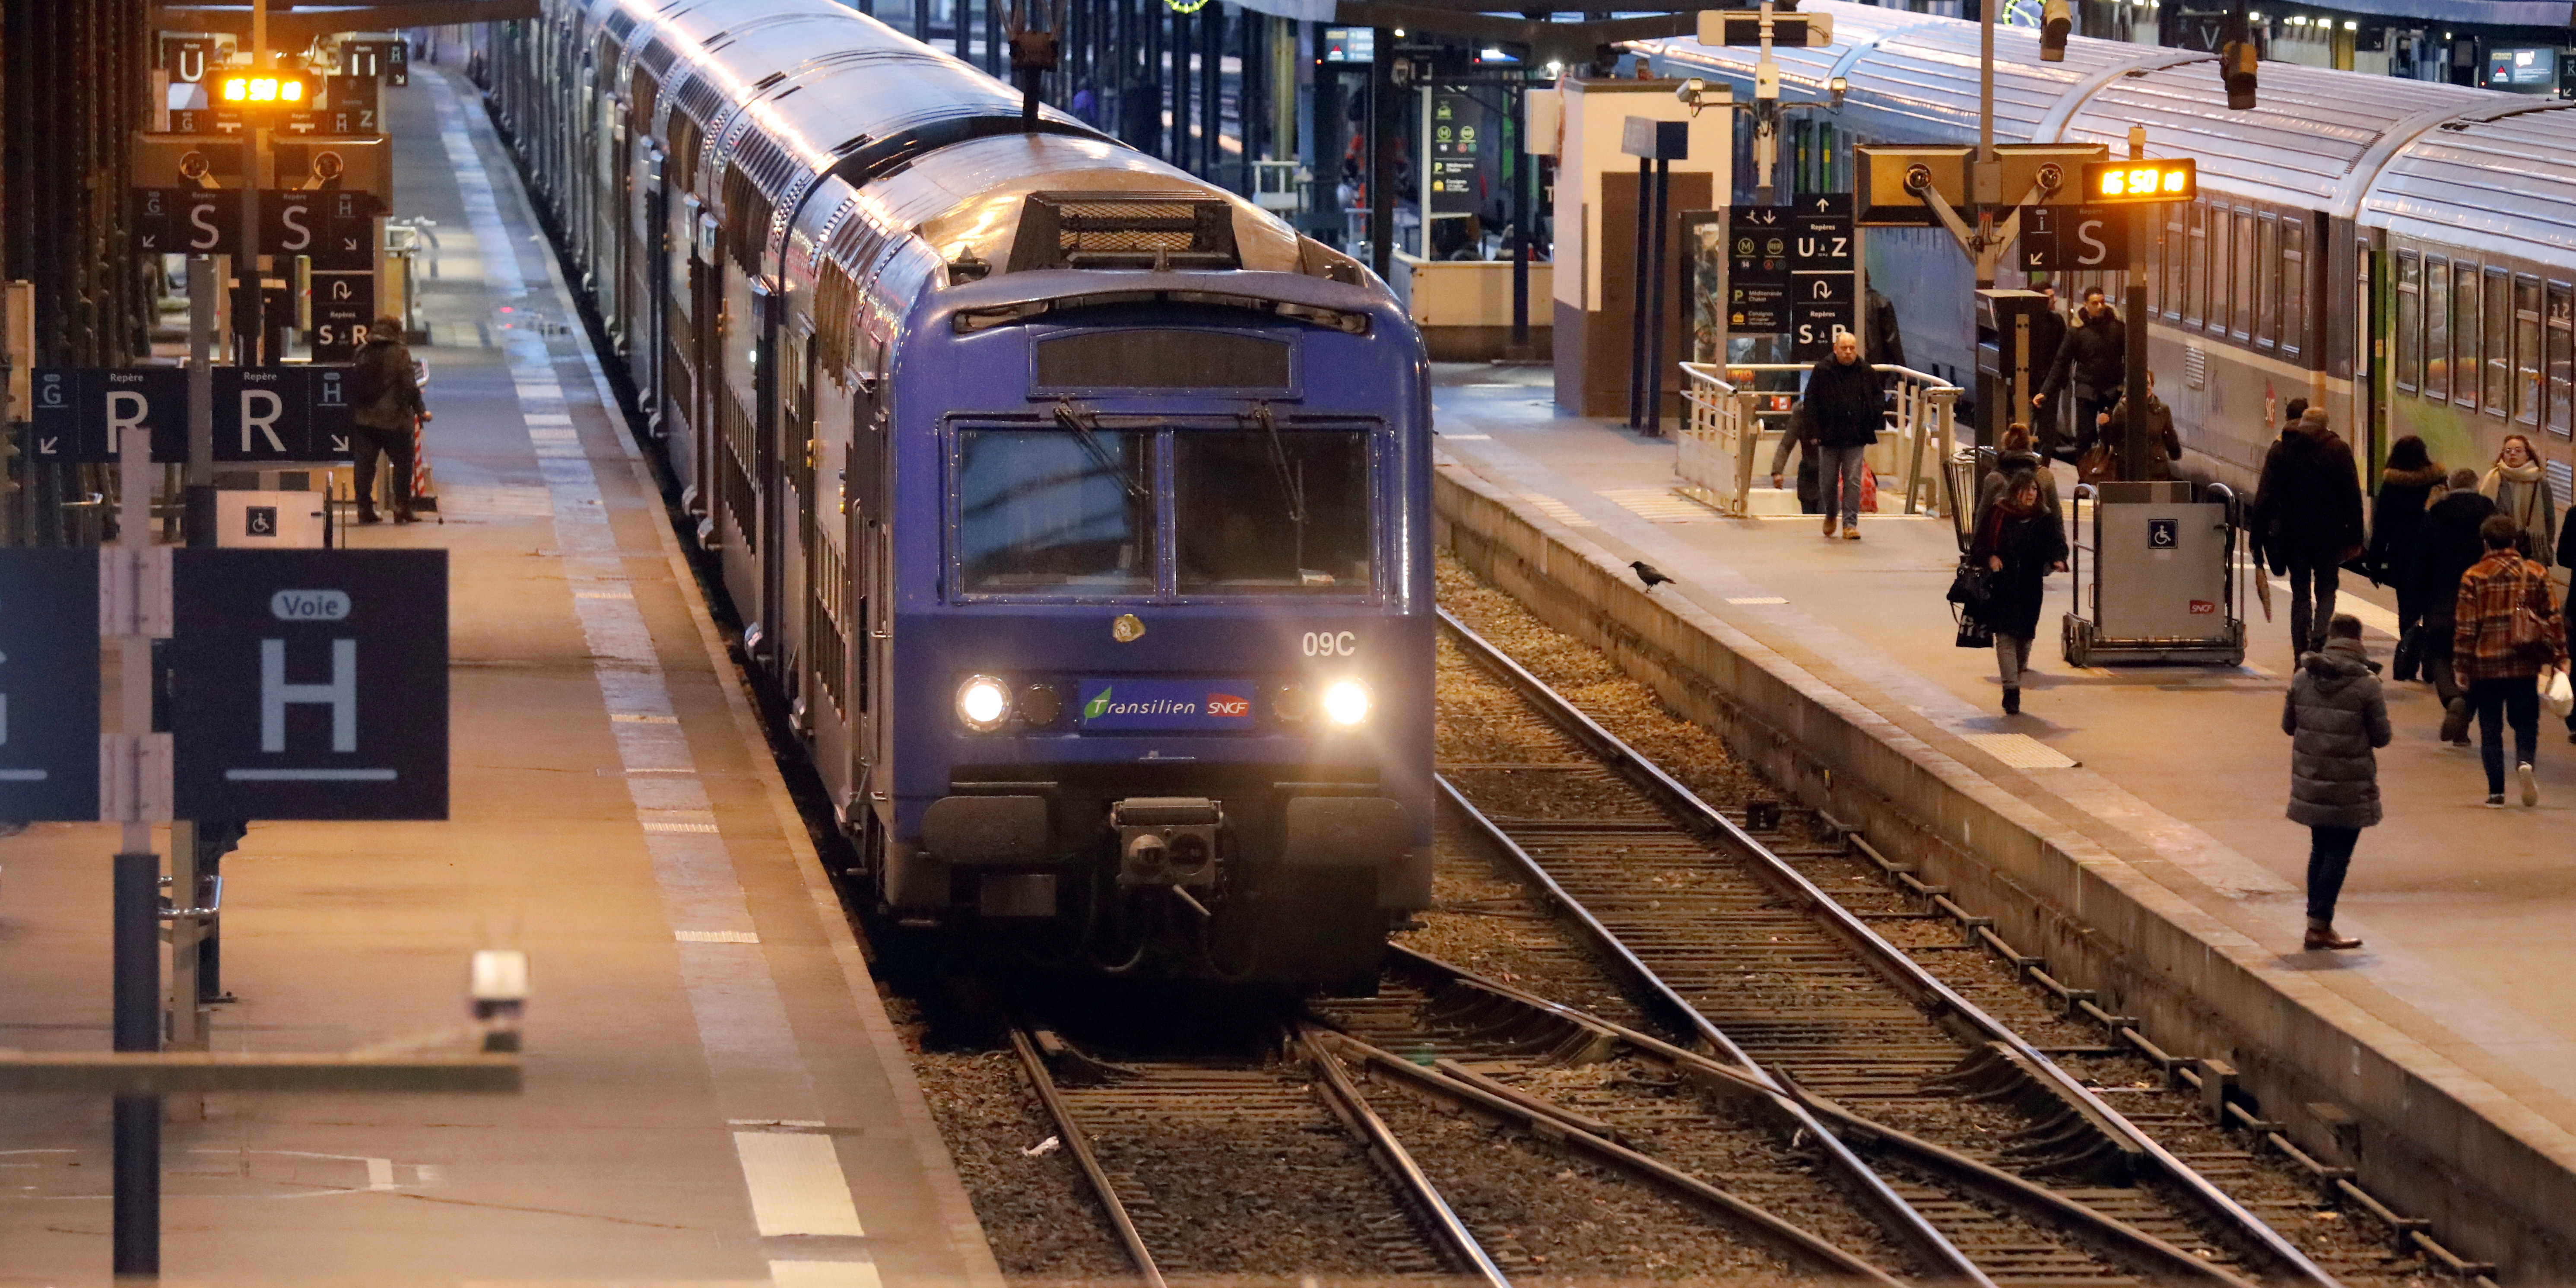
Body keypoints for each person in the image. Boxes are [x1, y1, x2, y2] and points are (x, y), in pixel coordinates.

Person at [2281, 613, 2389, 952]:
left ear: (2330, 637)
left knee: (2321, 848)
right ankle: (2319, 926)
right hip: (2350, 784)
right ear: (2359, 642)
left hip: (2312, 779)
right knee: (2338, 853)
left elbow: (2288, 726)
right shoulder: (2368, 685)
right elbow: (2382, 737)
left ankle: (2316, 922)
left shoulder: (2302, 678)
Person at [2453, 513, 2570, 807]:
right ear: (2516, 540)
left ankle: (2496, 793)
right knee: (2526, 722)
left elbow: (2466, 628)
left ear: (2486, 542)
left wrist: (2462, 667)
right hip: (2524, 664)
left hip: (2485, 665)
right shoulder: (2536, 572)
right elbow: (2554, 619)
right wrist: (2561, 657)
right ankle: (2525, 763)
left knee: (2490, 727)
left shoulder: (2474, 576)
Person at [2252, 407, 2366, 662]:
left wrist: (2256, 542)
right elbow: (2352, 498)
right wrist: (2355, 538)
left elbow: (2264, 498)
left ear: (2302, 423)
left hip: (2293, 536)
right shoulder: (2338, 450)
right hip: (2329, 535)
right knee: (2327, 587)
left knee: (2300, 591)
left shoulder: (2282, 450)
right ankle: (2319, 638)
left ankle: (2299, 654)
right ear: (2325, 427)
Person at [1968, 474, 2068, 716]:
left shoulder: (2044, 518)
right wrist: (1991, 558)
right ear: (2015, 492)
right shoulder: (1999, 513)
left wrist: (2058, 559)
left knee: (2024, 637)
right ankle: (2011, 691)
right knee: (2005, 636)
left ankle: (2017, 672)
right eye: (2026, 489)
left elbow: (2057, 544)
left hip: (2030, 587)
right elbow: (1979, 544)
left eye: (2034, 489)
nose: (2031, 493)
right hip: (2002, 585)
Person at [2411, 469, 2498, 743]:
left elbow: (2421, 562)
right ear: (2477, 486)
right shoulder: (2491, 514)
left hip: (2442, 597)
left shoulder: (2435, 515)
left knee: (2439, 654)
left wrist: (2415, 603)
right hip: (2481, 599)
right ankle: (2463, 726)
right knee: (2474, 662)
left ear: (2450, 485)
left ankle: (2452, 698)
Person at [2367, 436, 2447, 681]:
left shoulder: (2392, 484)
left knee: (2408, 608)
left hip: (2403, 553)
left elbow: (2382, 526)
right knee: (2433, 607)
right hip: (2434, 552)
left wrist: (2375, 563)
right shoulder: (2437, 480)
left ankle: (2409, 659)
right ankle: (2431, 662)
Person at [1802, 330, 1884, 540]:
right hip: (1828, 437)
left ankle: (1850, 524)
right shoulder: (1823, 370)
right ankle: (1831, 513)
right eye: (1844, 348)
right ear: (1835, 349)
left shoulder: (1865, 371)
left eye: (1852, 348)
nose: (1849, 352)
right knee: (1828, 482)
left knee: (1852, 480)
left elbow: (1877, 398)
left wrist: (1871, 421)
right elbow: (1810, 401)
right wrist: (1814, 431)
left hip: (1855, 436)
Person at [347, 315, 428, 524]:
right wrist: (421, 411)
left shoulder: (361, 352)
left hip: (365, 420)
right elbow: (410, 386)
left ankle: (365, 510)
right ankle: (402, 508)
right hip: (395, 421)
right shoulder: (400, 353)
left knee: (364, 466)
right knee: (402, 464)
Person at [2034, 286, 2123, 465]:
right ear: (2086, 305)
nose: (2100, 307)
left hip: (2113, 390)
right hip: (2087, 390)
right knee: (2085, 435)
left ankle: (2111, 475)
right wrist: (2046, 392)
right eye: (2095, 303)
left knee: (2114, 434)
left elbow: (2130, 356)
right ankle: (2084, 477)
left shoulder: (2117, 328)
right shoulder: (2077, 331)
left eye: (2103, 302)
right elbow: (2061, 362)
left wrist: (2127, 388)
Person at [2086, 370, 2183, 481]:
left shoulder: (2163, 410)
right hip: (2128, 470)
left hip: (2156, 471)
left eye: (2148, 384)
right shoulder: (2121, 410)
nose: (2146, 387)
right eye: (2142, 384)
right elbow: (2111, 440)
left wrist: (2176, 453)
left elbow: (2170, 436)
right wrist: (2105, 426)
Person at [2481, 434, 2559, 570]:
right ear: (2503, 455)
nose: (2513, 454)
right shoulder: (2493, 480)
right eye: (2508, 451)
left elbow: (2549, 517)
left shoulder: (2540, 482)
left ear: (2528, 455)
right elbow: (2483, 513)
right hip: (2499, 548)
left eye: (2518, 450)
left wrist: (2544, 542)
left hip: (2531, 550)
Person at [1973, 422, 2060, 528]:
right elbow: (2057, 519)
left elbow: (1982, 521)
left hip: (2004, 543)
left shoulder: (1995, 480)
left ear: (2006, 445)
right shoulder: (2045, 476)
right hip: (2039, 542)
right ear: (2029, 446)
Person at [2024, 281, 2069, 458]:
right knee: (2024, 428)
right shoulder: (2024, 321)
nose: (2055, 300)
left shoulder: (2057, 322)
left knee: (2047, 434)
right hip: (2028, 386)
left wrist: (2056, 384)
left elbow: (2062, 356)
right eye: (2050, 297)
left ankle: (2043, 468)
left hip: (2049, 388)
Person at [1770, 400, 1822, 514]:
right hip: (1808, 474)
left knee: (1825, 514)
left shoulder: (1835, 412)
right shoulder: (1801, 414)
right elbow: (1786, 445)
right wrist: (1777, 471)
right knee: (1810, 516)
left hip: (1829, 475)